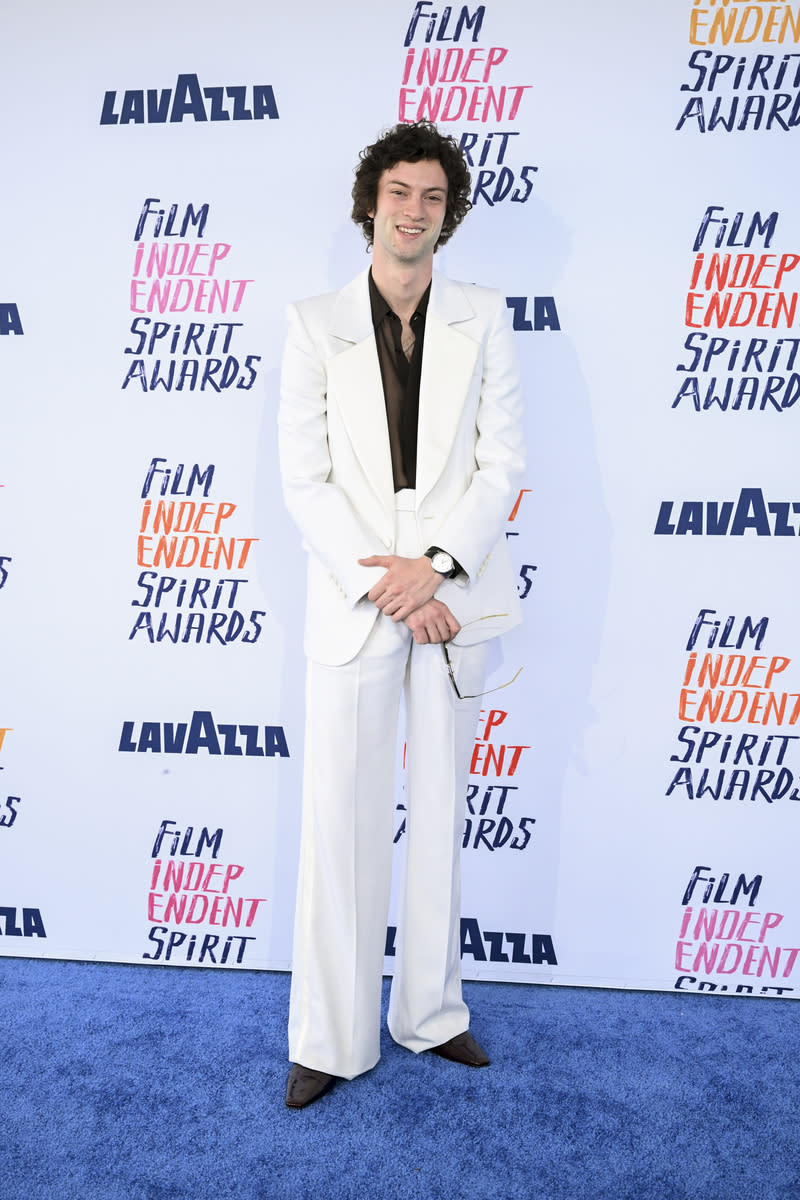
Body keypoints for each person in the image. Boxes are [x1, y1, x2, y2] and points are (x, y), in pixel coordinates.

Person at [278, 119, 525, 1108]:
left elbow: (501, 462)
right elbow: (305, 481)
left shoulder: (485, 316)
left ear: (446, 213)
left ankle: (431, 1014)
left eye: (431, 197)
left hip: (450, 599)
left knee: (437, 817)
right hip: (357, 602)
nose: (413, 211)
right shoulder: (310, 322)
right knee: (338, 822)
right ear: (368, 203)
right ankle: (328, 1040)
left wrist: (431, 572)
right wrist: (389, 582)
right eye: (399, 194)